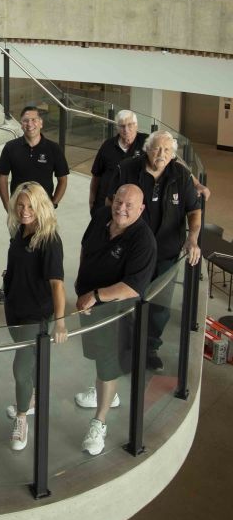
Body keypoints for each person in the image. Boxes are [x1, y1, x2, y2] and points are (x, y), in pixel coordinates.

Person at [108, 130, 202, 371]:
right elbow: (111, 203)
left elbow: (194, 210)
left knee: (159, 306)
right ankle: (126, 350)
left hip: (166, 254)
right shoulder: (128, 169)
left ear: (173, 155)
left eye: (167, 150)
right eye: (157, 149)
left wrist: (192, 238)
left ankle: (149, 348)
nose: (161, 154)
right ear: (146, 149)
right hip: (132, 251)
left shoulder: (180, 175)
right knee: (128, 300)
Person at [74, 184, 157, 456]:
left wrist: (95, 295)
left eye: (129, 205)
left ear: (141, 209)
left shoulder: (143, 241)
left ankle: (100, 421)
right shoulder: (101, 216)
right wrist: (80, 282)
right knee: (99, 356)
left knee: (108, 362)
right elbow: (85, 247)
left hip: (116, 312)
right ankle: (106, 392)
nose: (121, 208)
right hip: (89, 302)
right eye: (118, 202)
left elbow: (133, 287)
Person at [3, 182, 67, 451]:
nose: (24, 210)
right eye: (20, 204)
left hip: (35, 315)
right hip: (14, 309)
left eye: (30, 205)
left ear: (41, 205)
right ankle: (32, 400)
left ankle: (21, 418)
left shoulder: (49, 239)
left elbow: (57, 285)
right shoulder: (19, 232)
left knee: (20, 369)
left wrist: (60, 321)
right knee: (30, 362)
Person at [0, 105, 69, 302]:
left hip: (43, 213)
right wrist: (8, 206)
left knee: (45, 247)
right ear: (21, 124)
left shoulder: (53, 149)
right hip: (20, 212)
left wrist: (52, 204)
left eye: (34, 120)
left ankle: (44, 286)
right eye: (26, 120)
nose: (30, 124)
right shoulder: (11, 148)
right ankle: (10, 283)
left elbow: (62, 179)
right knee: (16, 248)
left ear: (41, 123)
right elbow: (2, 178)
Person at [89, 110, 147, 216]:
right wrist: (92, 201)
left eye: (130, 125)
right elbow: (96, 175)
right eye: (122, 126)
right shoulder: (108, 145)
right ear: (117, 127)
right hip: (106, 203)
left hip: (131, 208)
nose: (126, 130)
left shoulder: (146, 143)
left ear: (136, 125)